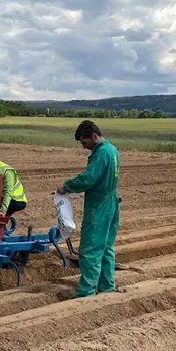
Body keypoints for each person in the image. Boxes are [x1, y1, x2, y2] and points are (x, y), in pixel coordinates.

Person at [56, 120, 121, 298]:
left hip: (99, 206)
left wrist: (67, 186)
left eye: (85, 143)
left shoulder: (101, 153)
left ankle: (86, 291)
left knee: (91, 248)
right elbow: (100, 179)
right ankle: (107, 286)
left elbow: (88, 178)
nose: (85, 148)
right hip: (112, 202)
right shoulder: (113, 150)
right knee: (106, 247)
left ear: (94, 136)